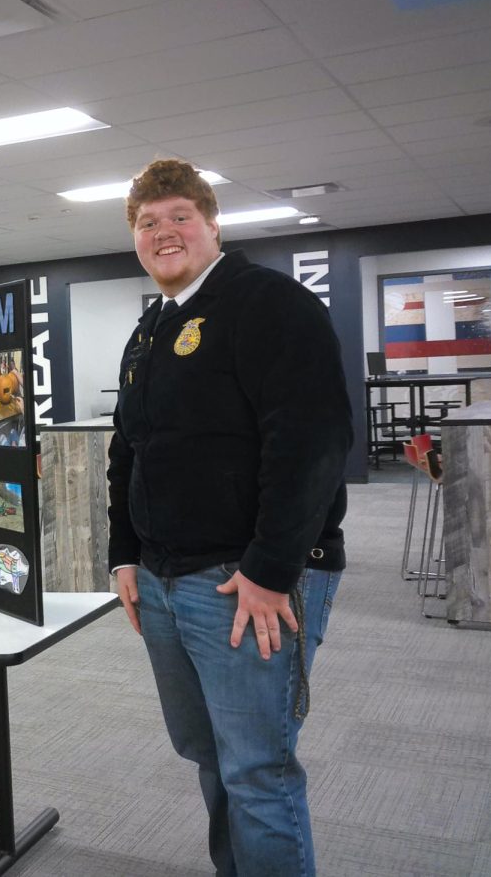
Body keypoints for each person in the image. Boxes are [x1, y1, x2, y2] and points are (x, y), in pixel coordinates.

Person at [106, 160, 351, 877]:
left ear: (213, 224)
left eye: (180, 215)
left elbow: (312, 444)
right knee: (206, 753)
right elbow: (131, 450)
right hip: (162, 579)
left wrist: (271, 572)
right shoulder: (153, 328)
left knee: (256, 771)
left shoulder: (268, 303)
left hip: (246, 583)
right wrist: (125, 555)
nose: (164, 232)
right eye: (148, 223)